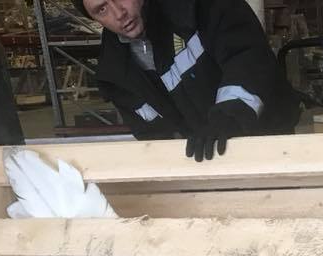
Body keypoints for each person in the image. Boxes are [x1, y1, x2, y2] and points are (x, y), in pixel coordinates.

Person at [74, 0, 300, 160]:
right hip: (204, 161)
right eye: (102, 9)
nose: (118, 13)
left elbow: (247, 57)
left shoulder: (196, 6)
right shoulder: (115, 74)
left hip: (268, 141)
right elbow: (154, 138)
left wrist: (229, 116)